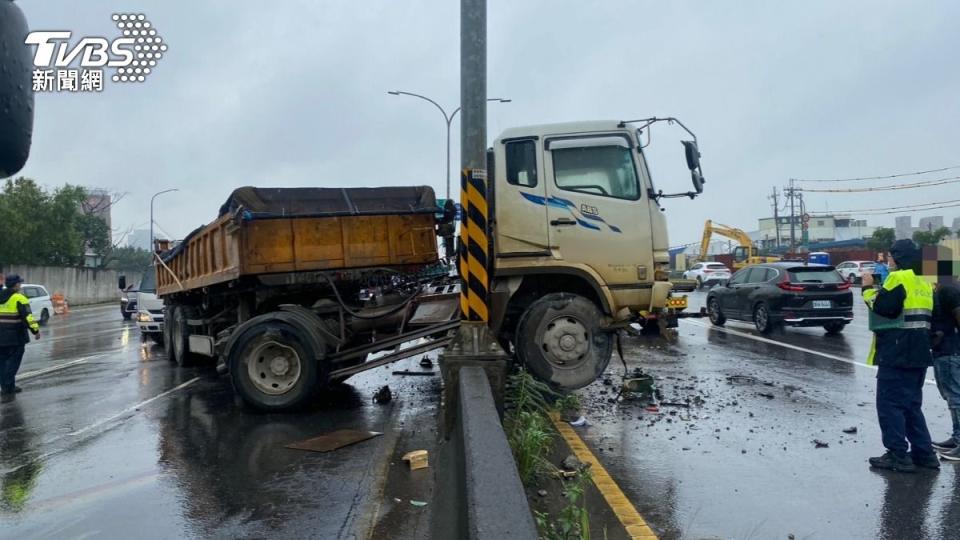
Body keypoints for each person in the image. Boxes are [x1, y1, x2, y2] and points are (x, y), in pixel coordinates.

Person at [862, 239, 938, 472]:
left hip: (897, 352)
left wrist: (867, 289)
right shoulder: (924, 283)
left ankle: (897, 455)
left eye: (891, 257)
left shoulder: (898, 278)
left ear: (899, 258)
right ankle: (925, 455)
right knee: (912, 406)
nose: (889, 261)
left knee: (890, 405)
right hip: (919, 353)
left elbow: (885, 308)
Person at [931, 272, 960, 461]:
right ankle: (957, 437)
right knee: (951, 396)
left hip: (951, 350)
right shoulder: (944, 288)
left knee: (956, 397)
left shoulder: (949, 289)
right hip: (944, 350)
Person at [0, 275, 40, 397]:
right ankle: (7, 384)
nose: (20, 285)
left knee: (2, 362)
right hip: (15, 337)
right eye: (19, 283)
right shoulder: (19, 298)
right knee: (13, 362)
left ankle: (9, 386)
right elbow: (28, 317)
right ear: (16, 284)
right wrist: (35, 330)